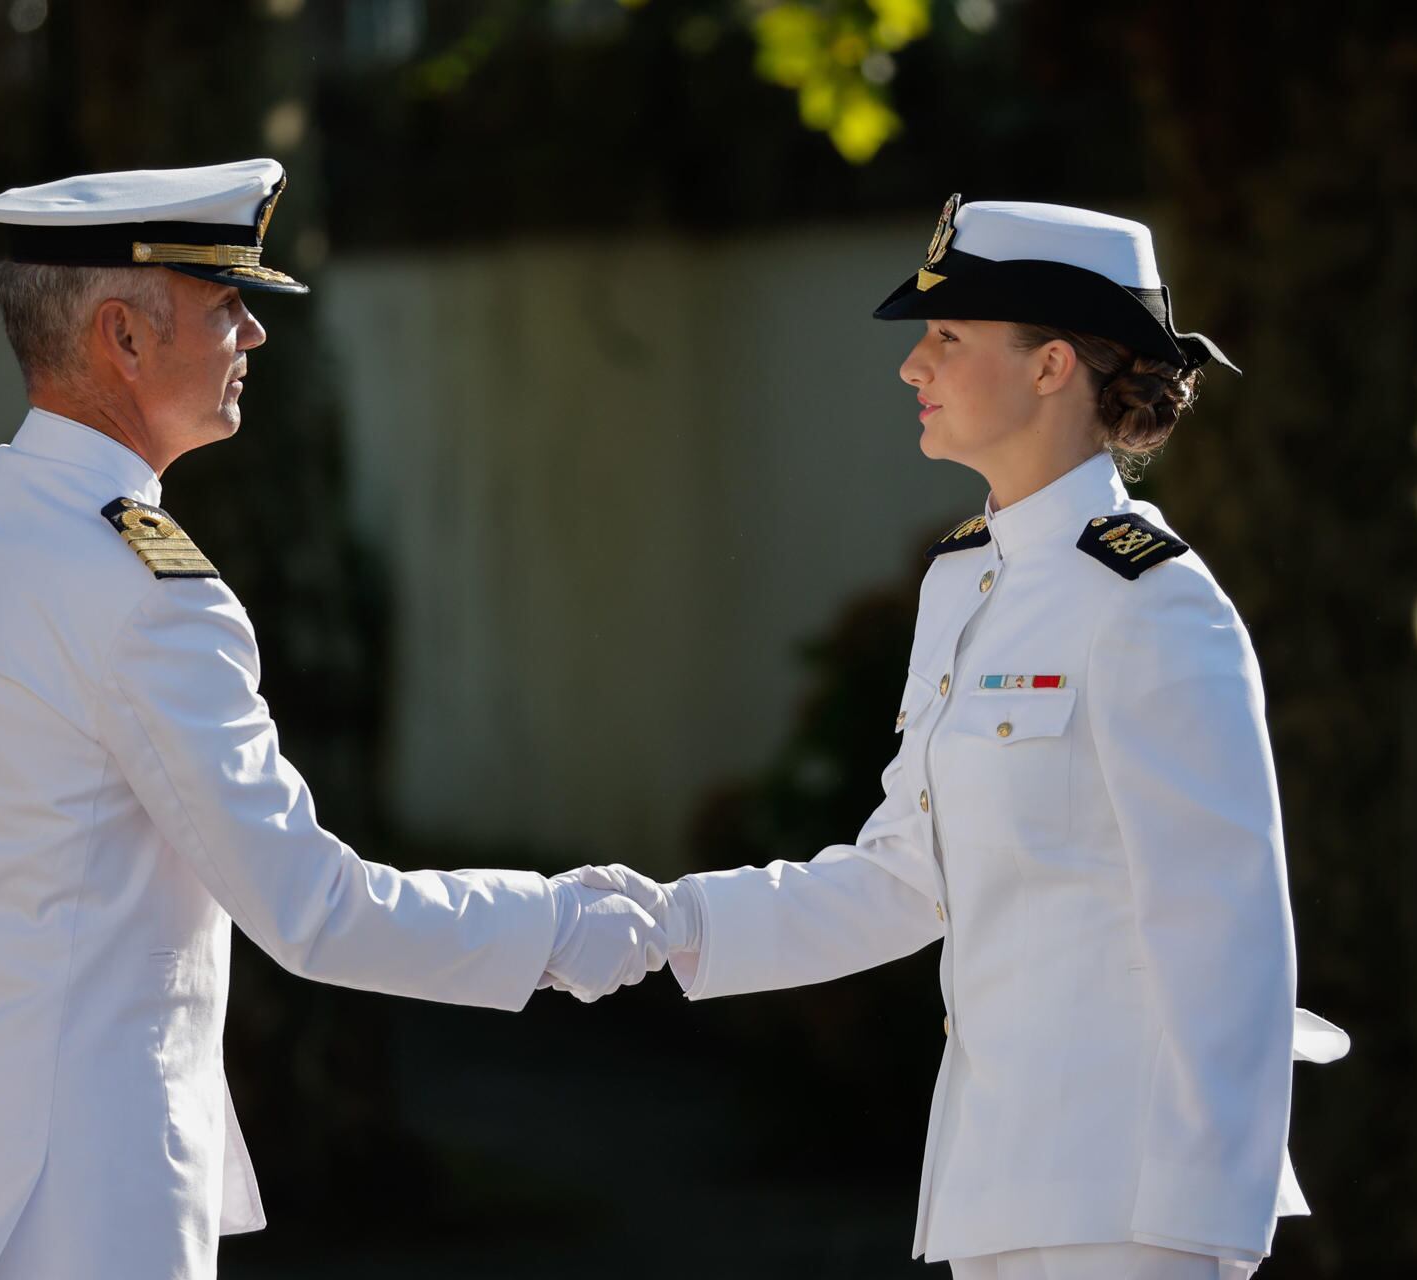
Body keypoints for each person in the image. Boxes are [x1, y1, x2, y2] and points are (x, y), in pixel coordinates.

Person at [0, 159, 666, 1280]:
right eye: (225, 305)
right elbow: (309, 907)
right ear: (122, 336)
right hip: (94, 1215)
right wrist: (555, 928)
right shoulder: (148, 593)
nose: (254, 334)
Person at [565, 196, 1349, 1279]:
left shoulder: (1155, 600)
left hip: (1130, 1207)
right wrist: (667, 923)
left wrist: (1205, 1221)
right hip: (998, 1184)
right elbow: (904, 878)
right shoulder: (965, 576)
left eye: (947, 336)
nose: (911, 367)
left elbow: (1227, 932)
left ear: (1051, 365)